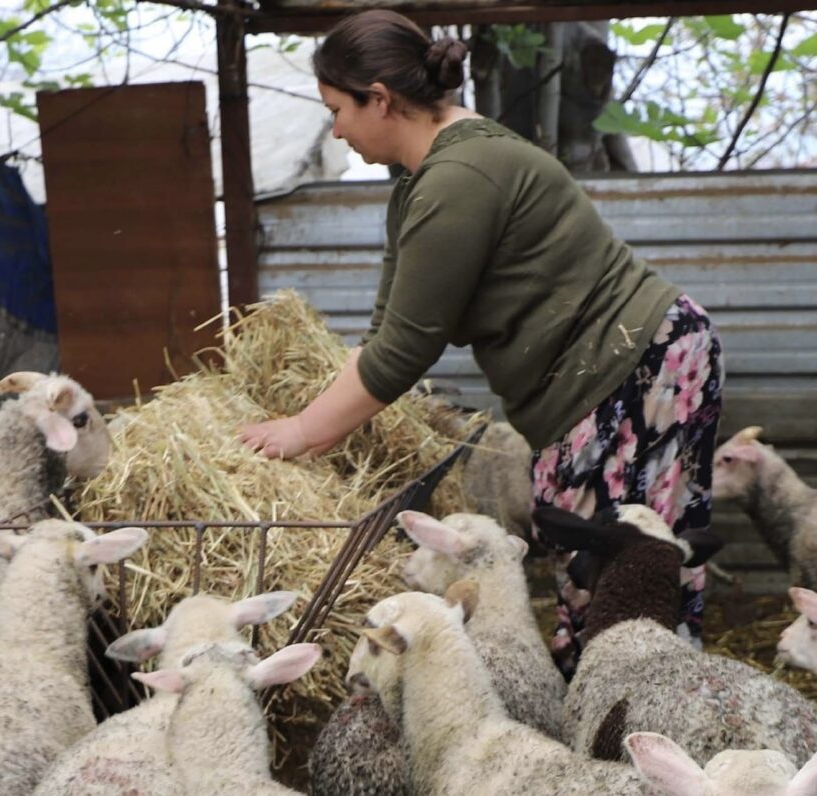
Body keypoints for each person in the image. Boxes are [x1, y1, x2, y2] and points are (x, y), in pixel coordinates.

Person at [239, 9, 723, 677]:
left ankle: (649, 722)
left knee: (622, 566)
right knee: (588, 553)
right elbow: (385, 330)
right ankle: (623, 713)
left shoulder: (457, 180)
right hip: (610, 369)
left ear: (379, 100)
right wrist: (314, 412)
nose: (336, 130)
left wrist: (301, 431)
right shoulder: (419, 182)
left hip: (639, 366)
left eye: (338, 110)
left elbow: (404, 355)